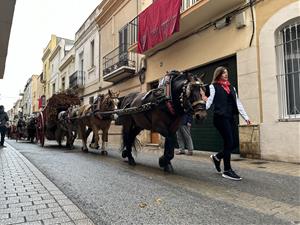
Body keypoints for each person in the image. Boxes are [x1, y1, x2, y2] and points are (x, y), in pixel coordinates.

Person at [201, 66, 251, 181]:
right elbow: (209, 102)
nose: (225, 74)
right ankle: (227, 170)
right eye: (223, 73)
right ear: (218, 74)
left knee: (235, 143)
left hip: (230, 117)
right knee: (229, 142)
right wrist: (203, 103)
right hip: (220, 118)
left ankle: (217, 157)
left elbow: (238, 104)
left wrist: (246, 117)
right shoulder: (213, 87)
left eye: (226, 72)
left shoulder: (232, 88)